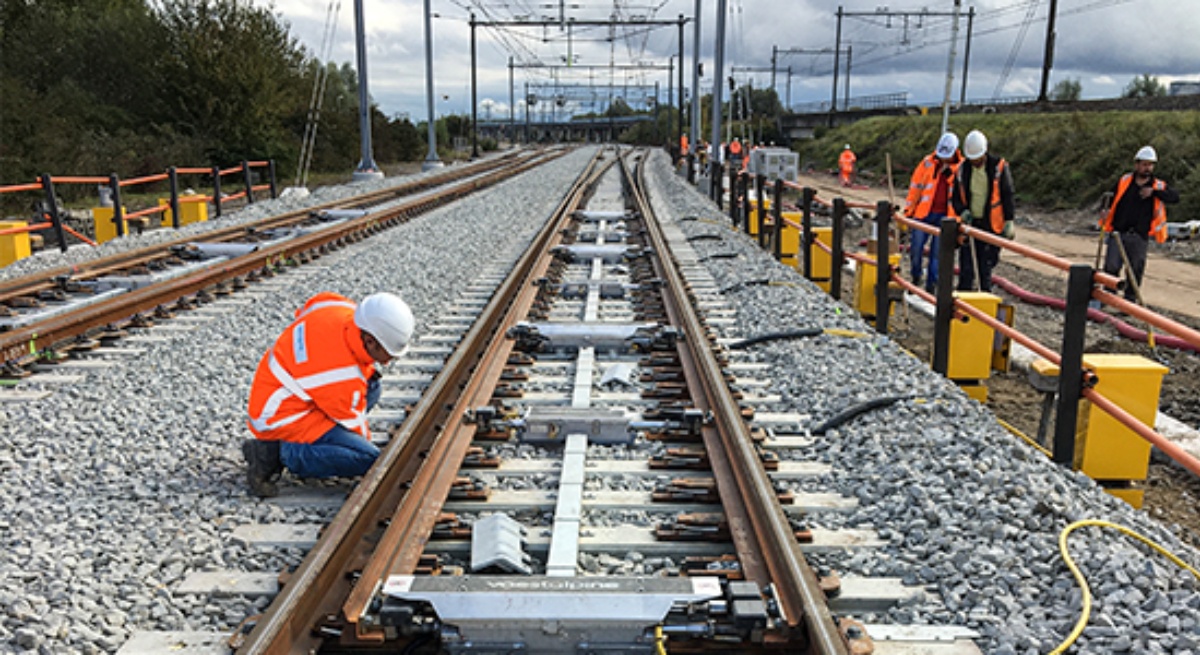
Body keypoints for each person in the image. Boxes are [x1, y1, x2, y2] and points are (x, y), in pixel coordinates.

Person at [242, 291, 415, 497]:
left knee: (372, 387)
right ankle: (278, 452)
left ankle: (298, 441)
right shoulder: (340, 375)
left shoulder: (342, 309)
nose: (389, 360)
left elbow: (310, 305)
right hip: (279, 417)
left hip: (283, 391)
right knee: (367, 459)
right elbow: (355, 426)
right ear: (370, 341)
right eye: (389, 353)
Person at [1099, 145, 1180, 302]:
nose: (1147, 168)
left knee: (1135, 268)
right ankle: (1108, 297)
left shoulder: (1158, 186)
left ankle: (1129, 301)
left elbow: (1175, 197)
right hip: (1118, 233)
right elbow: (1108, 197)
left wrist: (1154, 193)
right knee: (1111, 266)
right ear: (1136, 165)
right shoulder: (1124, 181)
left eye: (1150, 165)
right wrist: (1104, 209)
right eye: (1144, 164)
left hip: (1139, 235)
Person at [951, 129, 1014, 292]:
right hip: (970, 225)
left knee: (986, 266)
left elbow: (1007, 194)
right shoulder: (962, 170)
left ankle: (984, 298)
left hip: (991, 225)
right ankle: (963, 298)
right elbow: (956, 197)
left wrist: (1009, 220)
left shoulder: (998, 168)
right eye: (972, 160)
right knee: (966, 267)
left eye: (978, 159)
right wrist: (962, 211)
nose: (975, 162)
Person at [905, 132, 962, 292]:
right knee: (916, 248)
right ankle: (916, 275)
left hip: (946, 217)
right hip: (923, 214)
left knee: (937, 255)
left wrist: (950, 175)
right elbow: (915, 187)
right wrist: (909, 211)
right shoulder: (927, 163)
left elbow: (962, 194)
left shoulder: (961, 168)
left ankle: (932, 285)